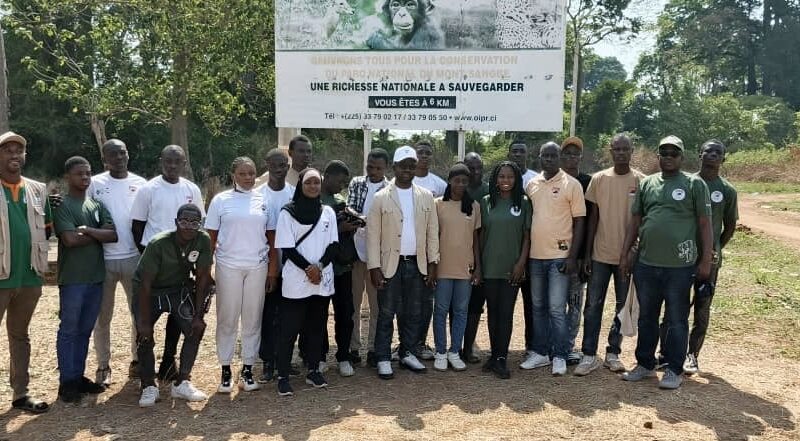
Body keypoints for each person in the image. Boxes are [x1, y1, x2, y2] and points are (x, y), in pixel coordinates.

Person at [619, 135, 713, 390]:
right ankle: (645, 364)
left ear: (682, 157)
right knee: (646, 317)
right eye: (664, 153)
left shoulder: (695, 184)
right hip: (647, 264)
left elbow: (705, 224)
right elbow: (635, 221)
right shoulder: (647, 183)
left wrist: (706, 260)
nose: (669, 157)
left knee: (677, 319)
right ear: (658, 156)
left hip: (680, 267)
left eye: (674, 153)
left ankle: (673, 368)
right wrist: (625, 254)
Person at [130, 145, 204, 382]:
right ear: (161, 161)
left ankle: (169, 361)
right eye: (168, 161)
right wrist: (153, 257)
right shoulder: (148, 189)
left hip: (181, 271)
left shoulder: (192, 189)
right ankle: (145, 377)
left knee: (178, 318)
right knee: (145, 321)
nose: (172, 166)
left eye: (177, 162)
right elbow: (137, 226)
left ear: (184, 163)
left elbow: (197, 224)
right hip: (156, 265)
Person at [205, 157, 278, 394]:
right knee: (227, 318)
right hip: (228, 266)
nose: (247, 178)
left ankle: (247, 369)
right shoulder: (221, 201)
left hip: (257, 266)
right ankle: (225, 369)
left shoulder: (264, 200)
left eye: (251, 173)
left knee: (252, 318)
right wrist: (206, 271)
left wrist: (272, 270)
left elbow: (271, 238)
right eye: (242, 173)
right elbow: (211, 238)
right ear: (233, 175)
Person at [574, 134, 645, 376]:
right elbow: (592, 218)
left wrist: (634, 252)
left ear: (632, 151)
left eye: (626, 149)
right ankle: (588, 354)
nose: (621, 153)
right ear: (611, 151)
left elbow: (642, 221)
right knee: (593, 305)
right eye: (617, 149)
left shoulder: (642, 181)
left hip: (627, 257)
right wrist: (586, 254)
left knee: (622, 306)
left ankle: (613, 353)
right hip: (600, 255)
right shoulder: (599, 179)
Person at [368, 146, 439, 380]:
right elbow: (373, 235)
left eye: (412, 164)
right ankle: (383, 357)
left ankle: (408, 352)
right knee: (387, 312)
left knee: (413, 312)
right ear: (395, 167)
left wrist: (433, 263)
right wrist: (374, 267)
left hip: (416, 263)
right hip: (390, 264)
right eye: (403, 165)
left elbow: (432, 232)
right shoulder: (381, 197)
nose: (408, 169)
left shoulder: (425, 196)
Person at [54, 156, 118, 403]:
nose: (85, 178)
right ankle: (66, 382)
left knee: (84, 330)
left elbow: (113, 235)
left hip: (95, 277)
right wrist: (97, 234)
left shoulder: (96, 204)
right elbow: (69, 240)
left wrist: (88, 230)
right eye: (79, 174)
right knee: (69, 329)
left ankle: (78, 376)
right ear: (68, 177)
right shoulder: (63, 205)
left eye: (88, 173)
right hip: (73, 279)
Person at [134, 204, 212, 407]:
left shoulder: (202, 239)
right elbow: (144, 284)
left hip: (176, 290)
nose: (188, 226)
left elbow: (203, 278)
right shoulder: (158, 244)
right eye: (184, 221)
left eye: (194, 222)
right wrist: (143, 322)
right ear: (176, 222)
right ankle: (149, 385)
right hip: (150, 292)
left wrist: (198, 315)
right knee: (144, 335)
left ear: (199, 224)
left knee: (195, 329)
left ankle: (182, 382)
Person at [522, 142, 586, 376]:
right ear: (539, 158)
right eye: (545, 155)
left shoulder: (572, 185)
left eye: (553, 155)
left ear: (559, 158)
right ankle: (540, 352)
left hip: (560, 257)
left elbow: (579, 222)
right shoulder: (532, 184)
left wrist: (573, 256)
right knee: (538, 307)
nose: (549, 159)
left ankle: (559, 355)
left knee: (557, 309)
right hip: (535, 257)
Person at [274, 168, 339, 396]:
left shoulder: (328, 212)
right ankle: (282, 375)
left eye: (316, 182)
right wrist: (308, 269)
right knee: (289, 329)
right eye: (308, 182)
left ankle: (313, 370)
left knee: (316, 328)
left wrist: (318, 267)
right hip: (296, 280)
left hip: (320, 280)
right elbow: (286, 246)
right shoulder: (287, 213)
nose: (313, 186)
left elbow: (333, 245)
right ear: (301, 185)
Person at [88, 139, 147, 385]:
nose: (118, 157)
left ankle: (137, 361)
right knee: (102, 317)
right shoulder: (94, 183)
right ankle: (103, 365)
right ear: (105, 159)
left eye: (122, 152)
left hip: (134, 257)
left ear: (128, 155)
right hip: (103, 259)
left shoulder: (141, 184)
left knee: (139, 314)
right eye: (112, 154)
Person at [0, 131, 52, 413]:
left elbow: (47, 229)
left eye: (18, 151)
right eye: (7, 150)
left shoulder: (37, 189)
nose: (14, 155)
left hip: (29, 276)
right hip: (1, 276)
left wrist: (41, 265)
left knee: (20, 335)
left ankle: (20, 394)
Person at [684, 140, 738, 374]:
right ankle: (667, 353)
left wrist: (714, 248)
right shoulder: (686, 183)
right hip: (682, 256)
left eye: (718, 152)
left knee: (702, 308)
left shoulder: (727, 190)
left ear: (723, 159)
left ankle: (692, 355)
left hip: (710, 261)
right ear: (700, 155)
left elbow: (730, 227)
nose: (713, 154)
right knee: (676, 307)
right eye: (709, 151)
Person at [479, 161, 531, 379]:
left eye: (510, 177)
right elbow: (480, 236)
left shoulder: (524, 203)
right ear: (495, 179)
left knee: (506, 313)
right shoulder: (486, 202)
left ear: (517, 179)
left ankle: (502, 357)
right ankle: (493, 355)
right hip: (490, 266)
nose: (505, 181)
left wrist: (521, 263)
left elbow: (527, 236)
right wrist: (479, 266)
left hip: (513, 268)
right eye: (502, 177)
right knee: (492, 312)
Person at [433, 163, 481, 372]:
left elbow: (476, 240)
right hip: (443, 266)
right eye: (457, 180)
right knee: (441, 311)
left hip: (465, 267)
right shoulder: (438, 205)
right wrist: (432, 265)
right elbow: (433, 237)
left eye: (464, 181)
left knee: (461, 311)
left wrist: (478, 267)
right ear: (450, 181)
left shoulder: (474, 206)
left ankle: (455, 351)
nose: (460, 184)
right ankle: (441, 352)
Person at [348, 148, 390, 368]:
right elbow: (350, 209)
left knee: (376, 306)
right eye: (370, 167)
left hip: (379, 257)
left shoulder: (390, 189)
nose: (373, 171)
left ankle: (374, 348)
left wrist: (369, 222)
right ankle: (354, 348)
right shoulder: (356, 183)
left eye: (378, 168)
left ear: (386, 168)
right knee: (354, 305)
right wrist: (366, 220)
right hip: (356, 252)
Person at [258, 149, 297, 383]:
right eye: (275, 164)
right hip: (264, 265)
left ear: (288, 166)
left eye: (283, 165)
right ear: (267, 164)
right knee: (267, 315)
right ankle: (267, 361)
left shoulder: (294, 194)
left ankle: (285, 360)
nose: (279, 169)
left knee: (287, 317)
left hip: (291, 266)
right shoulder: (257, 195)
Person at [319, 160, 360, 377]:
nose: (342, 186)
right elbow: (314, 230)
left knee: (345, 313)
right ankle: (319, 356)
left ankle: (343, 356)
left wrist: (351, 227)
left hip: (342, 267)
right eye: (340, 181)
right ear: (327, 176)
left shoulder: (340, 200)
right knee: (319, 314)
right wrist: (338, 226)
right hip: (322, 267)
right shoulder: (315, 198)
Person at [559, 136, 593, 365]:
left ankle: (569, 345)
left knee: (575, 302)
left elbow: (591, 221)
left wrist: (585, 255)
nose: (572, 157)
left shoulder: (588, 182)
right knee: (555, 304)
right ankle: (556, 345)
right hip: (552, 253)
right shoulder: (554, 180)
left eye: (576, 153)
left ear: (581, 156)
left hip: (578, 256)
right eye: (568, 153)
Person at [411, 140, 446, 360]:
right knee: (405, 302)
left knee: (426, 300)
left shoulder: (439, 185)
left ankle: (421, 343)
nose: (424, 156)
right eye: (420, 152)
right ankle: (405, 343)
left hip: (429, 251)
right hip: (406, 250)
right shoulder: (403, 181)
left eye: (427, 152)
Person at [507, 140, 537, 355]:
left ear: (527, 155)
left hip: (532, 252)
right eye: (514, 151)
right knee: (504, 305)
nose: (518, 154)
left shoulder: (535, 180)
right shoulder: (503, 178)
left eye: (521, 151)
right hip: (507, 251)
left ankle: (531, 346)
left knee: (531, 303)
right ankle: (501, 346)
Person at [461, 152, 490, 363]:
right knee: (457, 303)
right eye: (471, 168)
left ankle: (468, 347)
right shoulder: (456, 189)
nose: (476, 172)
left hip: (484, 255)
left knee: (475, 304)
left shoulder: (490, 191)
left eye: (479, 167)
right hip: (458, 255)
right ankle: (454, 346)